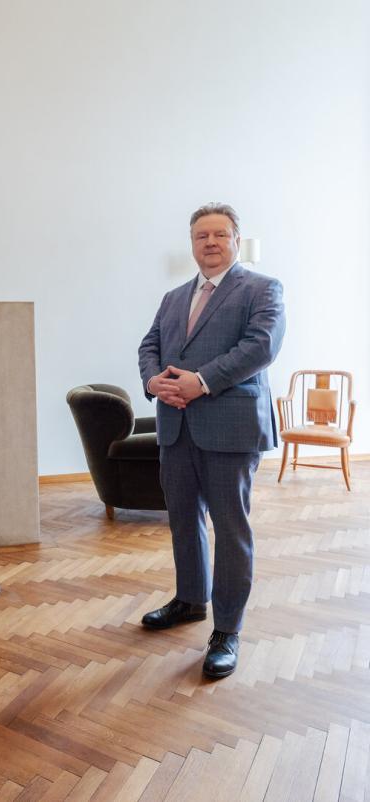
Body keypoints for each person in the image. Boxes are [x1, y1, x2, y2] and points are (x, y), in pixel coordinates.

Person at [138, 203, 285, 678]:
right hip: (176, 426)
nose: (211, 242)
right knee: (184, 520)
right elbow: (149, 345)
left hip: (230, 427)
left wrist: (199, 382)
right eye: (202, 235)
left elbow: (260, 347)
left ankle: (227, 630)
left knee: (230, 528)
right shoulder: (173, 297)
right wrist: (153, 381)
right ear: (192, 243)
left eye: (220, 234)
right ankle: (189, 600)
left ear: (236, 240)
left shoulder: (262, 288)